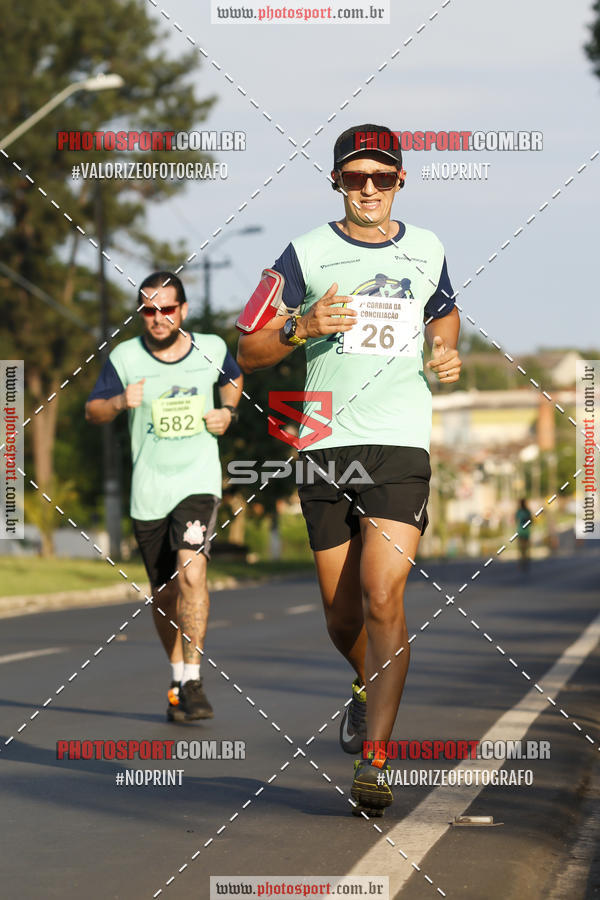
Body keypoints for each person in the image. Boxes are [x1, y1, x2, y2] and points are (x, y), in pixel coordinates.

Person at [235, 124, 462, 817]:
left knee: (382, 593)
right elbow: (248, 349)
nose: (369, 189)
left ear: (401, 181)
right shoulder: (302, 254)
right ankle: (364, 683)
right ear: (336, 180)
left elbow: (443, 317)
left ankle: (377, 759)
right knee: (341, 616)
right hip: (323, 443)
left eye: (382, 177)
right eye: (356, 177)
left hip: (398, 444)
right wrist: (302, 327)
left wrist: (445, 354)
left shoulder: (428, 249)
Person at [85, 271, 242, 722]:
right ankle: (177, 678)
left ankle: (193, 678)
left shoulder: (210, 348)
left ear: (182, 311)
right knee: (163, 593)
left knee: (190, 570)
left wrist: (227, 412)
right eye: (148, 310)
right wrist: (118, 403)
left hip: (197, 481)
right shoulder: (125, 357)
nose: (157, 318)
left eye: (166, 309)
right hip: (149, 490)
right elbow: (93, 409)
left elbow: (234, 378)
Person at [515, 498, 533, 571]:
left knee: (522, 548)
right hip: (524, 532)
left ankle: (523, 561)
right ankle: (524, 561)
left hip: (522, 532)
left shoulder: (519, 511)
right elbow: (531, 520)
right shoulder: (526, 511)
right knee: (525, 548)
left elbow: (516, 519)